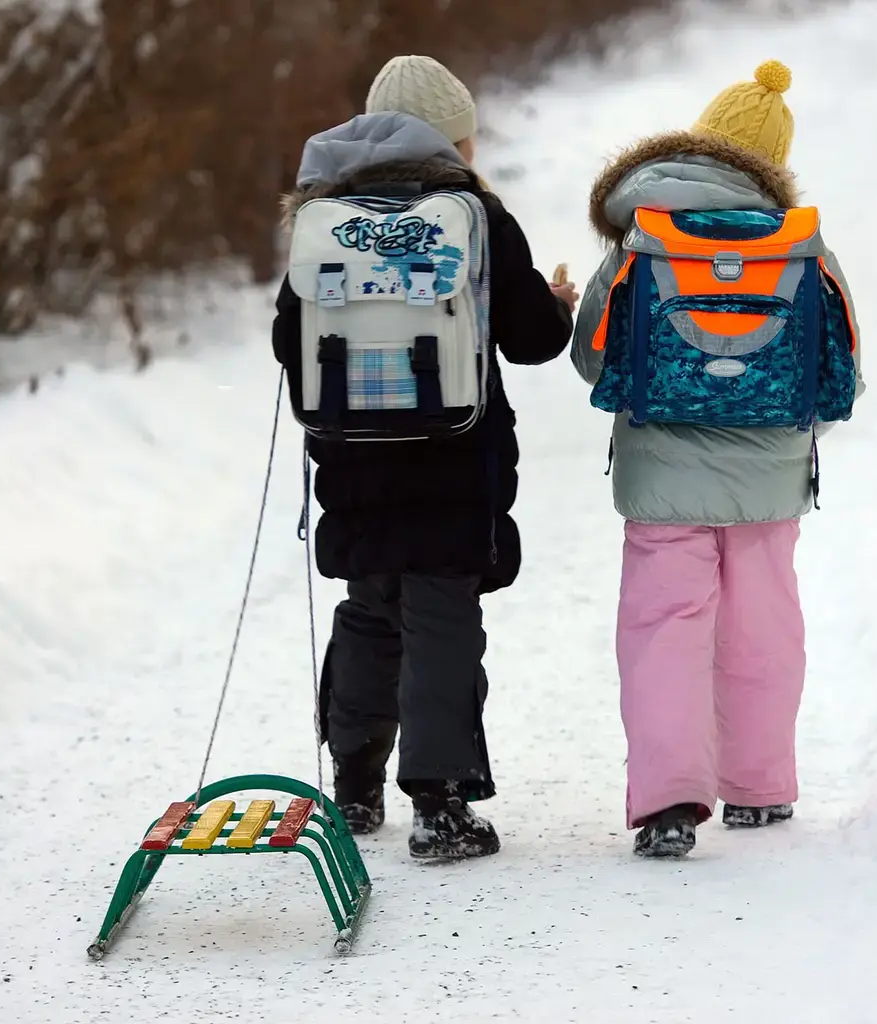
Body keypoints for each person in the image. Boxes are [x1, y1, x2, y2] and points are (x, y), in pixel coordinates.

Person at [272, 56, 576, 860]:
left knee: (371, 614)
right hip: (452, 455)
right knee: (441, 621)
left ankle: (355, 788)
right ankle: (440, 805)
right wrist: (555, 303)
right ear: (452, 139)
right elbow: (536, 340)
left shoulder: (323, 215)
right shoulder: (472, 213)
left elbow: (286, 340)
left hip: (353, 455)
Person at [567, 61, 863, 858]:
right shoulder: (800, 245)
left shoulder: (646, 234)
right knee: (762, 630)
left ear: (700, 141)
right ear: (775, 165)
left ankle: (668, 802)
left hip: (661, 476)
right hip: (769, 480)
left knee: (665, 630)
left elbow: (594, 357)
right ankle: (759, 790)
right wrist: (777, 434)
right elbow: (841, 372)